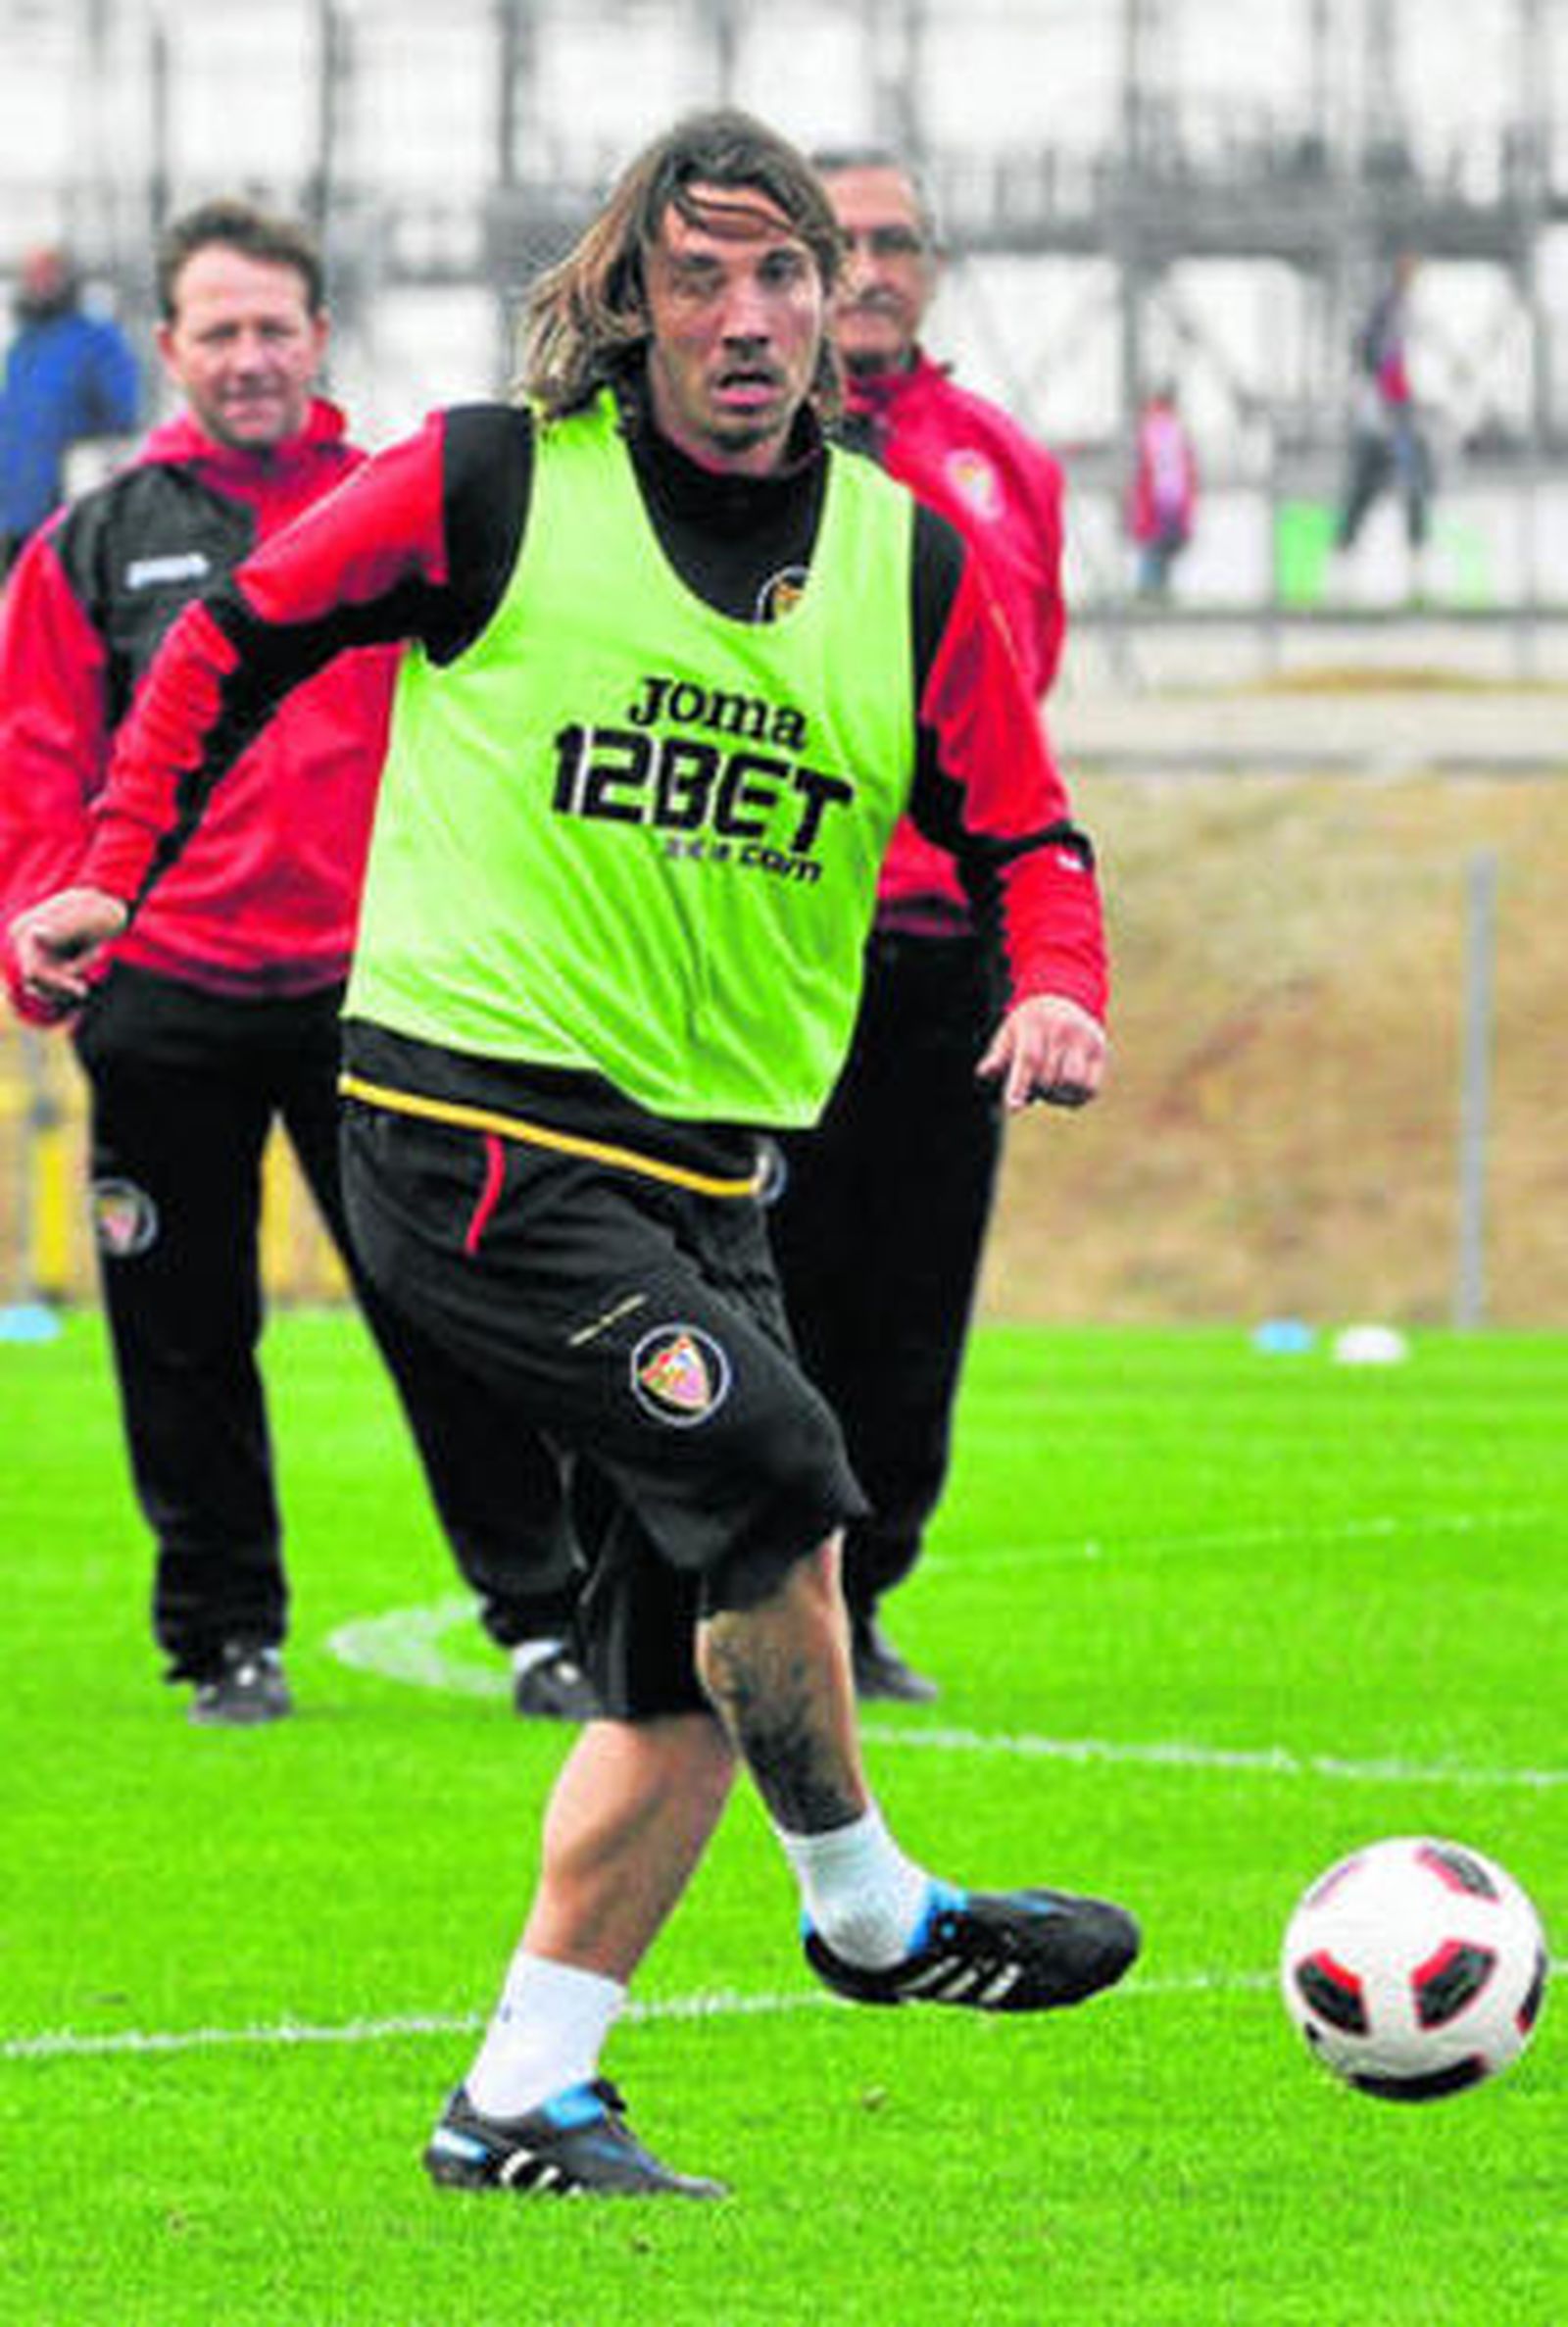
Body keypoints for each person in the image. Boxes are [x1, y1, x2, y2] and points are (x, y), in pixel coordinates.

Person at [11, 112, 1139, 2199]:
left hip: (705, 1169)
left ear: (833, 302)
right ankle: (870, 1909)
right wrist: (104, 865)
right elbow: (234, 636)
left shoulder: (907, 561)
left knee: (692, 1661)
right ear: (629, 305)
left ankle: (522, 2092)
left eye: (781, 274)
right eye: (698, 278)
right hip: (472, 1128)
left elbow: (1023, 827)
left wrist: (1055, 978)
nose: (747, 315)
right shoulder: (492, 480)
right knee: (783, 1468)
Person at [0, 196, 595, 1727]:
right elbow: (37, 766)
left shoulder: (410, 512)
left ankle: (546, 1621)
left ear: (321, 336)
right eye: (221, 331)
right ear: (170, 347)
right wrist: (50, 929)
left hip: (381, 996)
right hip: (164, 1000)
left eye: (276, 327)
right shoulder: (92, 544)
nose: (251, 357)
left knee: (451, 1313)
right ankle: (224, 1640)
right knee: (182, 1338)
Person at [765, 147, 1068, 1703]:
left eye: (896, 241)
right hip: (767, 940)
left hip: (946, 946)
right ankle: (742, 1580)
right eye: (840, 245)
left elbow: (1027, 682)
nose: (872, 270)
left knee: (913, 1294)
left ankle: (864, 1594)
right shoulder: (733, 454)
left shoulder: (1002, 461)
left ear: (932, 265)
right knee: (761, 1278)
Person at [1, 244, 140, 578]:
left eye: (49, 272)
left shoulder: (98, 339)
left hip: (69, 507)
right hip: (16, 511)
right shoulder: (21, 343)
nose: (40, 283)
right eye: (32, 274)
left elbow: (121, 417)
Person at [1333, 253, 1432, 569]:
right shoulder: (1386, 312)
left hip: (1385, 411)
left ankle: (1350, 547)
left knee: (1400, 480)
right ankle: (1353, 548)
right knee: (1393, 477)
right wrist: (1397, 404)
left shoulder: (1389, 312)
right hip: (1385, 413)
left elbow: (1381, 361)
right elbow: (1384, 363)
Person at [1128, 380, 1198, 599]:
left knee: (1154, 545)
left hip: (1157, 499)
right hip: (1172, 498)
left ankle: (1151, 590)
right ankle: (1157, 590)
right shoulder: (1176, 429)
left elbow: (1145, 468)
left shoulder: (1152, 428)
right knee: (1161, 546)